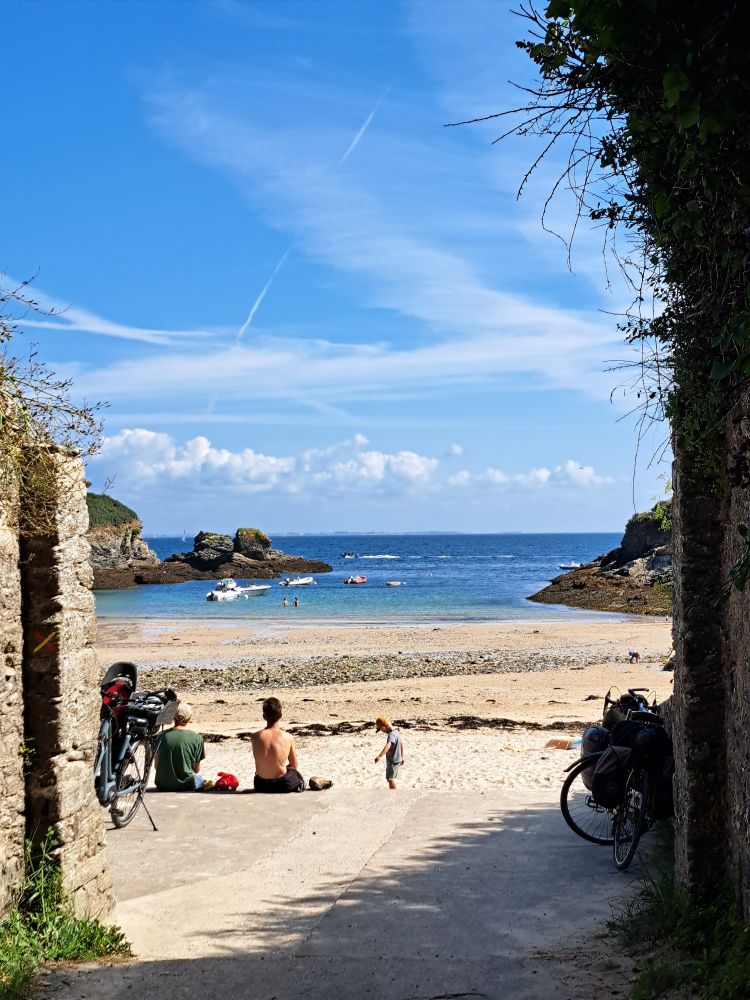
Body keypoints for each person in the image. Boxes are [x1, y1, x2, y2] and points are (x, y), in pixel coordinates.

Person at [250, 697, 305, 793]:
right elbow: (294, 765)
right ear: (280, 715)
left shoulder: (255, 737)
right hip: (283, 784)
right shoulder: (288, 737)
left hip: (261, 785)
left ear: (264, 716)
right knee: (295, 775)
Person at [154, 703, 205, 791]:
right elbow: (196, 770)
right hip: (187, 784)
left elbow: (156, 766)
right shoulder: (197, 738)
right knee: (201, 779)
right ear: (189, 718)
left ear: (173, 717)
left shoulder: (161, 736)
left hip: (162, 784)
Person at [374, 715, 404, 790]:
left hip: (392, 761)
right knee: (391, 778)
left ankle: (394, 794)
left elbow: (389, 744)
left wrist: (380, 756)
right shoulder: (396, 732)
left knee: (390, 779)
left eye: (380, 729)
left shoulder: (391, 735)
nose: (382, 731)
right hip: (397, 759)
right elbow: (401, 744)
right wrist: (402, 757)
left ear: (384, 726)